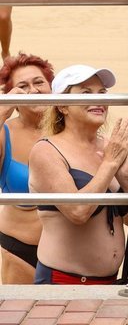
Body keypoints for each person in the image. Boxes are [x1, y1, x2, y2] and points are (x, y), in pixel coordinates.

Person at [29, 65, 128, 284]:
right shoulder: (46, 150)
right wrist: (110, 164)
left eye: (102, 93)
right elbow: (78, 211)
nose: (98, 99)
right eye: (86, 92)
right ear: (63, 105)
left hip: (112, 283)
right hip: (63, 281)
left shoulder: (113, 147)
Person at [0, 53, 51, 283]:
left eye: (39, 82)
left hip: (71, 255)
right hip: (19, 250)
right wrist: (2, 111)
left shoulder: (73, 128)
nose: (33, 90)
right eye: (23, 86)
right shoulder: (4, 132)